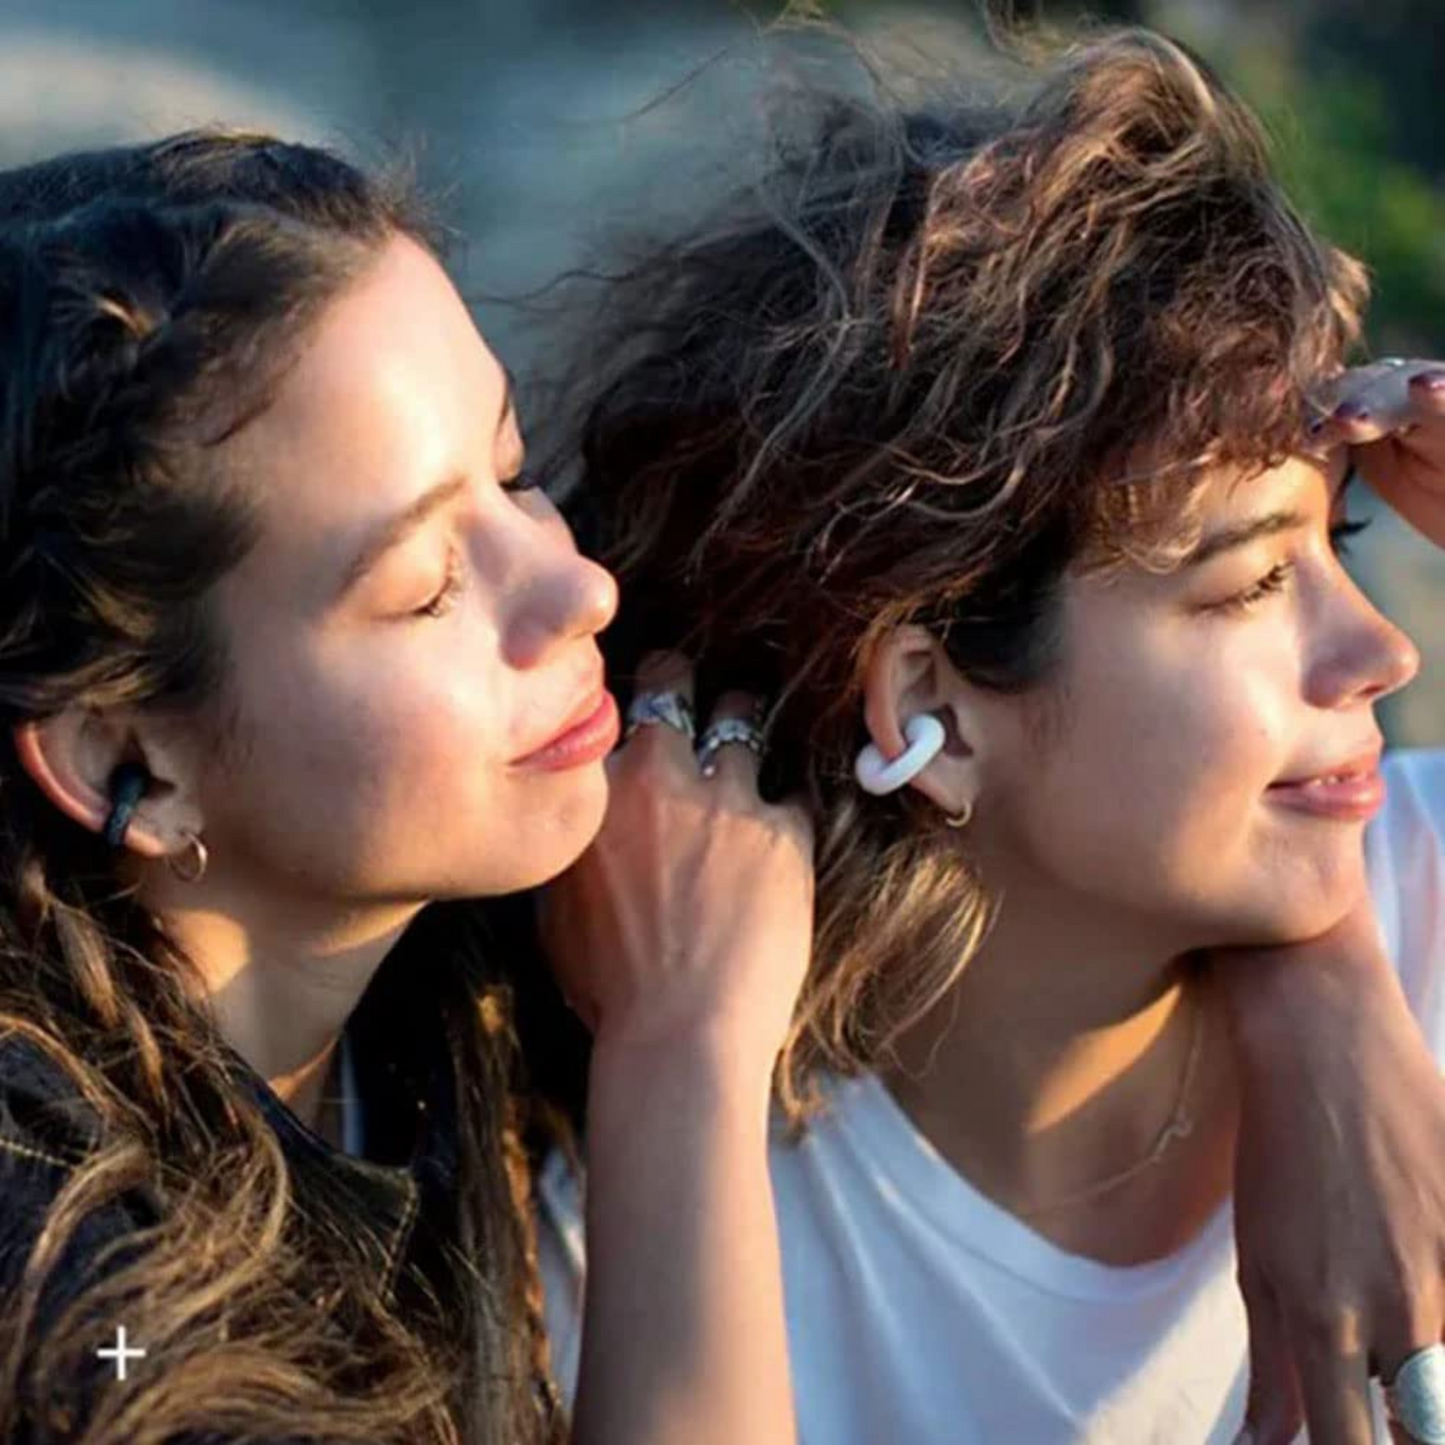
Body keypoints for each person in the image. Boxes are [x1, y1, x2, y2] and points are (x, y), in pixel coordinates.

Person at [535, 27, 1445, 1445]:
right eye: (1254, 582)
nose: (1385, 652)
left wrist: (1324, 988)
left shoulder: (1421, 896)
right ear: (932, 711)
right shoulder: (636, 1199)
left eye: (1345, 538)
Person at [0, 133, 812, 1445]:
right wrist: (683, 1057)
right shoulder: (59, 1289)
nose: (579, 587)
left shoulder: (439, 940)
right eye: (427, 586)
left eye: (514, 473)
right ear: (125, 760)